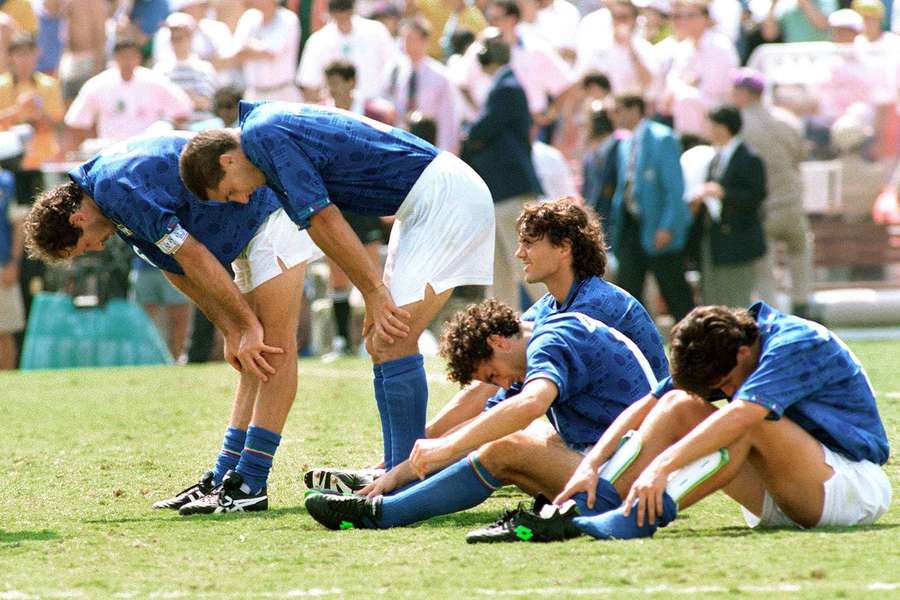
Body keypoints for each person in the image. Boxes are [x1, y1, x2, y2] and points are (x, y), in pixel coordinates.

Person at [178, 100, 495, 473]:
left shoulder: (262, 136)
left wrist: (374, 291)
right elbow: (321, 227)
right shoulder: (263, 131)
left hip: (444, 197)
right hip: (425, 201)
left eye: (230, 192)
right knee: (382, 339)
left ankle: (405, 475)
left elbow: (324, 217)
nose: (242, 200)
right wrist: (372, 290)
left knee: (392, 337)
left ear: (227, 161)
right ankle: (398, 468)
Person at [23, 132, 322, 514]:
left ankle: (251, 482)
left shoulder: (116, 189)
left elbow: (193, 255)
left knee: (273, 349)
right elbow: (176, 268)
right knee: (255, 359)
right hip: (249, 229)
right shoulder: (108, 200)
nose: (95, 250)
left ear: (78, 218)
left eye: (84, 245)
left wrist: (246, 326)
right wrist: (232, 330)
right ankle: (227, 475)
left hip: (269, 215)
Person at [306, 198, 669, 495]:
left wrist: (440, 447)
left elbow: (517, 402)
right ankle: (396, 470)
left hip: (635, 446)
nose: (520, 253)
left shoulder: (596, 306)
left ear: (564, 248)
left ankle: (396, 483)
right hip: (594, 435)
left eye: (530, 243)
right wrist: (427, 439)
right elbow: (492, 392)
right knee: (491, 410)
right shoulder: (549, 307)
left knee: (503, 437)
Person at [517, 303, 891, 543]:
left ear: (744, 352)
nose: (725, 390)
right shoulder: (728, 338)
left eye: (726, 383)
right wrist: (592, 465)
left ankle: (638, 519)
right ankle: (588, 507)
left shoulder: (794, 342)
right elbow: (647, 405)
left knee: (746, 418)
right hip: (785, 486)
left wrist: (664, 465)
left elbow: (743, 413)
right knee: (677, 402)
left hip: (848, 486)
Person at [303, 297, 659, 534]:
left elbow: (528, 406)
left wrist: (443, 449)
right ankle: (388, 498)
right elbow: (495, 419)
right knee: (511, 438)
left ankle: (382, 514)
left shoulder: (550, 340)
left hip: (635, 475)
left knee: (510, 445)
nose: (501, 384)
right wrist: (401, 471)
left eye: (492, 375)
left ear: (498, 342)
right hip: (618, 462)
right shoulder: (547, 333)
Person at [459, 31, 544, 310]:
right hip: (498, 192)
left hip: (509, 190)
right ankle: (501, 332)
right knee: (498, 272)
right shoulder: (503, 85)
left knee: (524, 265)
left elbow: (480, 129)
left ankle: (562, 322)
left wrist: (469, 137)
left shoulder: (506, 86)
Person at [731, 69, 813, 317]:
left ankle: (773, 317)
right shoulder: (787, 119)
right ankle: (802, 304)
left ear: (743, 93)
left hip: (763, 207)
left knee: (764, 269)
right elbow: (801, 155)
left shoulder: (739, 123)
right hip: (792, 201)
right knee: (800, 254)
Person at [608, 93, 694, 323]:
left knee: (675, 292)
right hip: (632, 227)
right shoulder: (625, 143)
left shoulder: (662, 138)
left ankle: (694, 345)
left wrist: (667, 226)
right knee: (629, 292)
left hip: (656, 226)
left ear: (634, 109)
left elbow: (674, 189)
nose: (615, 116)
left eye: (619, 110)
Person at [689, 105, 766, 308]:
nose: (708, 130)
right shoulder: (716, 157)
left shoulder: (748, 157)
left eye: (712, 125)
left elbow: (756, 196)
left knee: (736, 299)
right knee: (714, 297)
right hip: (714, 239)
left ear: (723, 127)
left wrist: (724, 193)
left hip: (738, 240)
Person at [64, 38, 193, 150]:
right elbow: (76, 121)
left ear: (139, 58)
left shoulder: (155, 81)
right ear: (115, 58)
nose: (128, 61)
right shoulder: (98, 84)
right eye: (123, 56)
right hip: (111, 150)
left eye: (131, 56)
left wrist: (162, 130)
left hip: (148, 148)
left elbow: (183, 110)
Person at [0, 164, 23, 370]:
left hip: (2, 262)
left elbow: (18, 224)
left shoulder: (7, 181)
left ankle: (6, 381)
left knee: (4, 330)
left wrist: (13, 263)